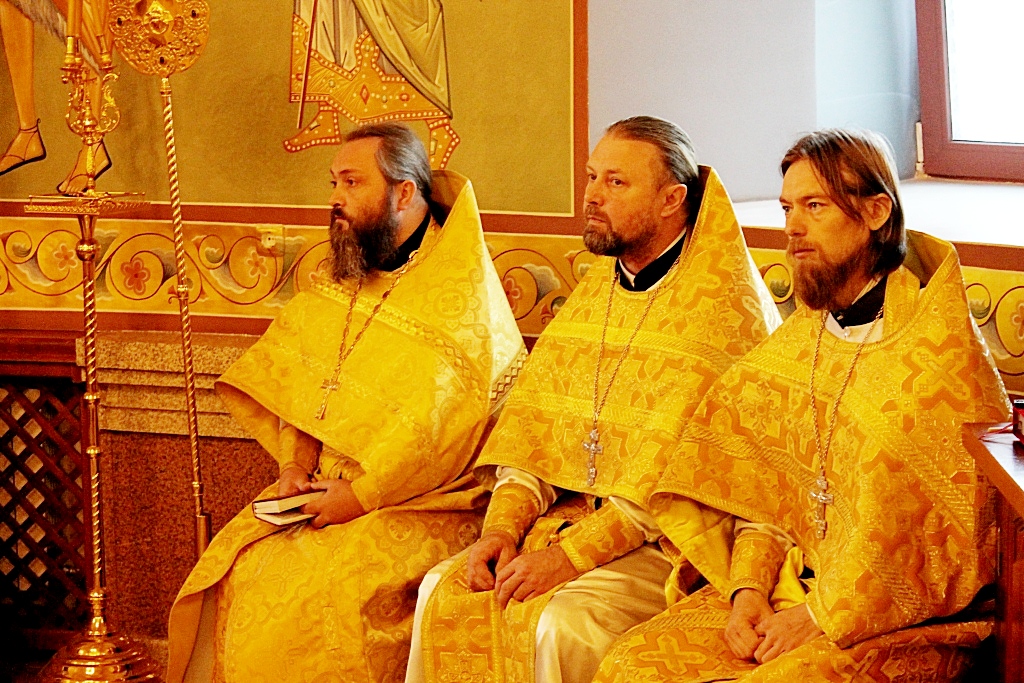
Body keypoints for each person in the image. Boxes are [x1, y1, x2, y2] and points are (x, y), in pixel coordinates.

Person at [594, 129, 1010, 683]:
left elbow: (937, 546)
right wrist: (747, 592)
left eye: (815, 206)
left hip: (898, 623)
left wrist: (818, 616)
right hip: (790, 587)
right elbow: (767, 497)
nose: (792, 227)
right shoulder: (800, 343)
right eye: (788, 207)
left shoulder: (934, 358)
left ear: (876, 212)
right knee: (629, 664)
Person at [406, 116, 781, 683]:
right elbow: (532, 437)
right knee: (442, 590)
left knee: (559, 625)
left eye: (616, 182)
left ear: (672, 200)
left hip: (669, 547)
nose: (592, 195)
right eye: (591, 176)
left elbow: (681, 485)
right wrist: (501, 531)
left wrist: (567, 559)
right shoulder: (596, 293)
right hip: (563, 521)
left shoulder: (723, 312)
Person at [165, 123, 525, 683]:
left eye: (352, 183)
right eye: (333, 182)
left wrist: (360, 497)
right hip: (324, 489)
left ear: (404, 193)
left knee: (323, 593)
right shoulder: (344, 275)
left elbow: (447, 436)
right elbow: (307, 390)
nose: (335, 198)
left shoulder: (462, 297)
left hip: (431, 501)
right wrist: (293, 467)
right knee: (243, 567)